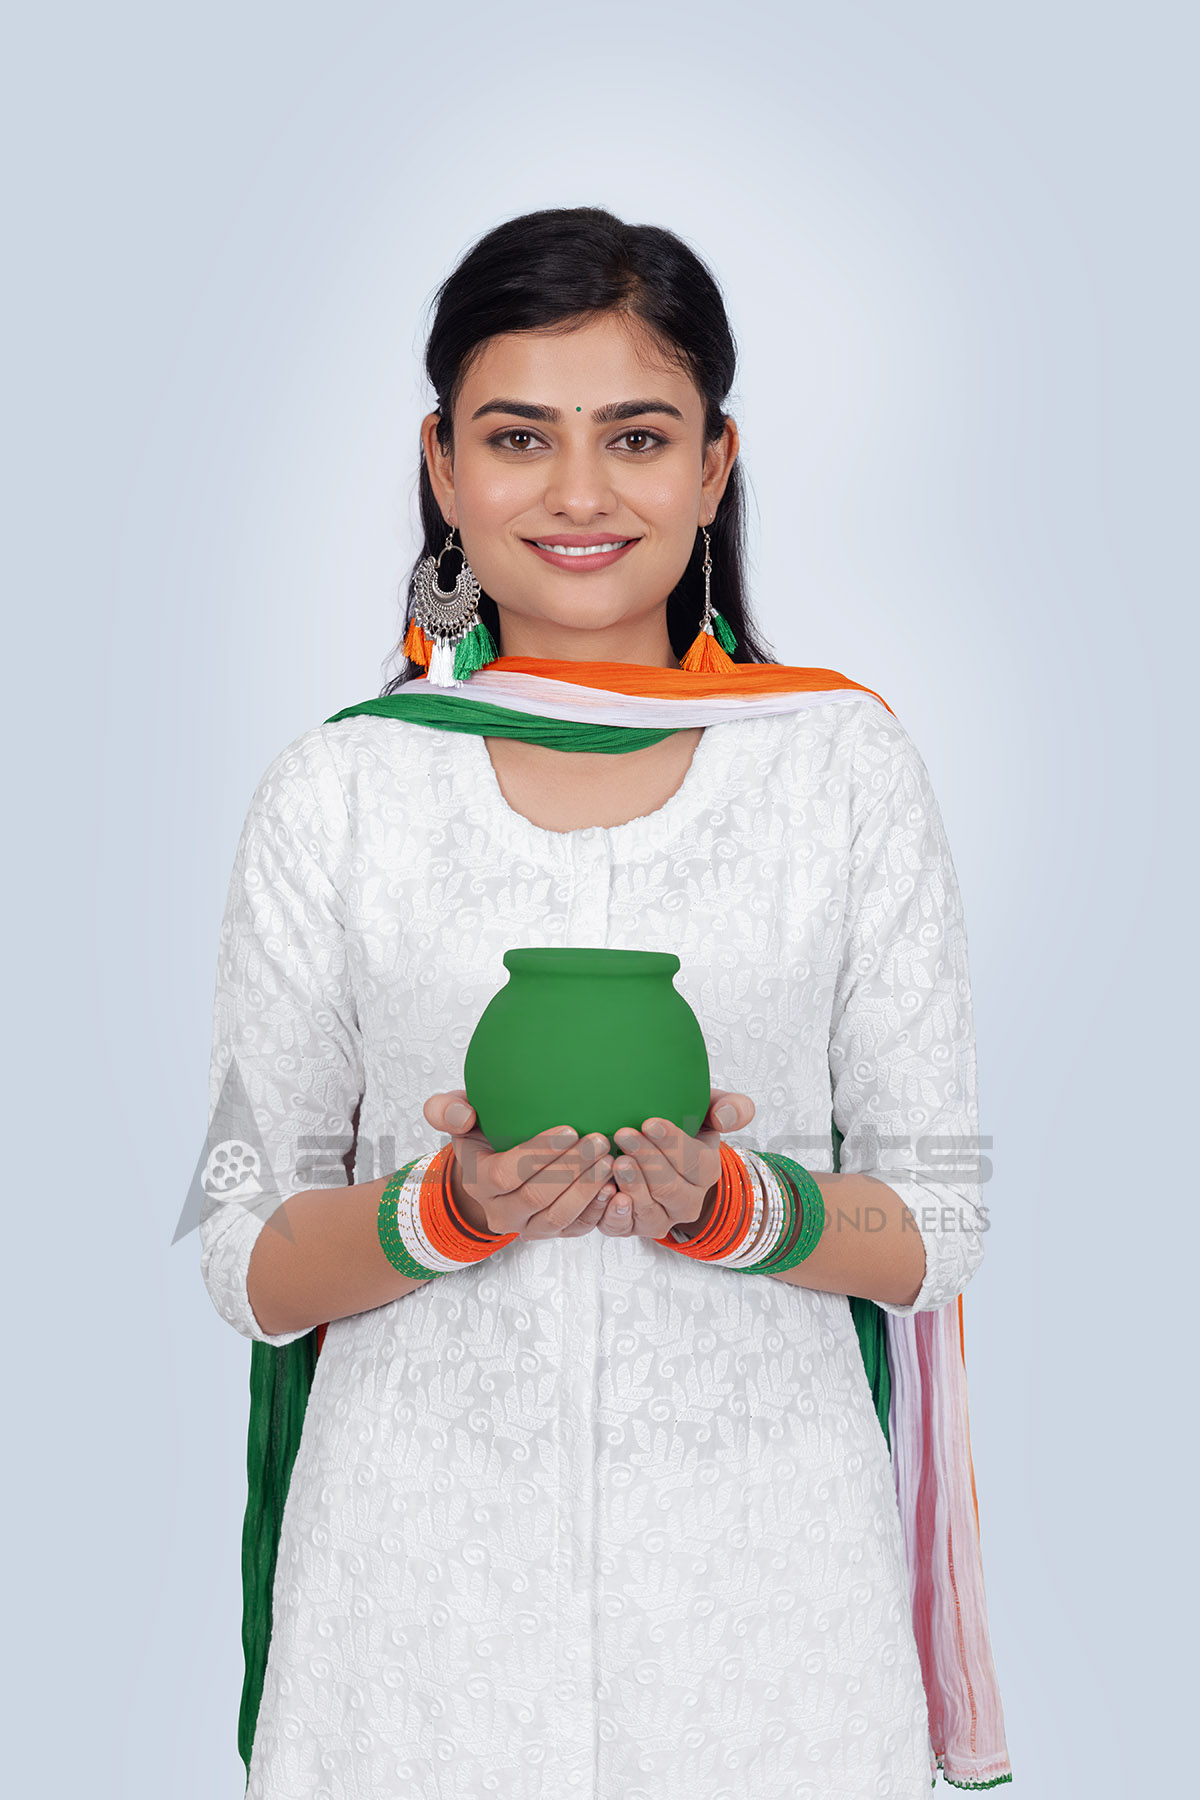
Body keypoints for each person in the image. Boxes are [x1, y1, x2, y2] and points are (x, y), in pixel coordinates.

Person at [199, 206, 1012, 1797]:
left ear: (713, 467)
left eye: (637, 436)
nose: (579, 495)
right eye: (519, 438)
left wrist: (738, 1208)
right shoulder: (339, 794)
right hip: (412, 1628)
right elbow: (243, 1247)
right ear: (442, 465)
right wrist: (442, 1209)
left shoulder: (839, 771)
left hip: (766, 1624)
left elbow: (948, 1220)